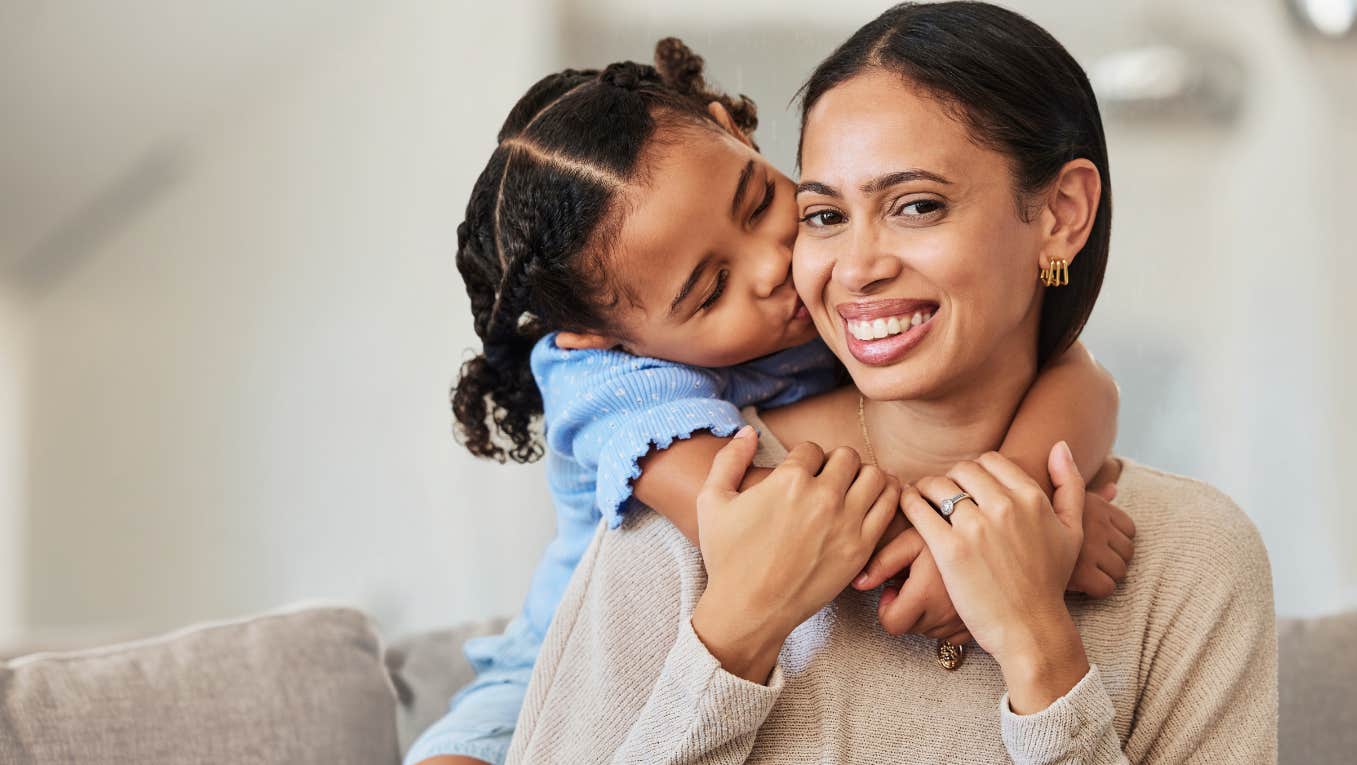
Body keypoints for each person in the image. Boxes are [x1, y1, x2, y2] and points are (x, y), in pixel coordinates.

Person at [505, 3, 1277, 763]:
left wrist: (1041, 651)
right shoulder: (693, 515)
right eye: (824, 215)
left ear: (1060, 214)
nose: (857, 266)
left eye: (916, 206)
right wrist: (736, 631)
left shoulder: (1192, 556)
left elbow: (1082, 372)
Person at [408, 34, 1131, 765]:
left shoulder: (836, 285)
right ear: (602, 335)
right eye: (712, 289)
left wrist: (1025, 489)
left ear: (732, 127)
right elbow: (781, 532)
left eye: (757, 204)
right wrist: (1002, 553)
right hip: (535, 682)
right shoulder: (603, 383)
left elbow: (1086, 379)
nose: (772, 264)